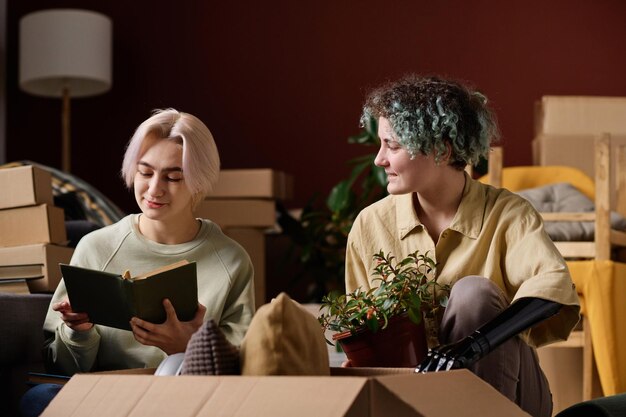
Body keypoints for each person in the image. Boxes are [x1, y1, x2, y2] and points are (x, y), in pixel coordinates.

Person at [345, 75, 580, 417]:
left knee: (474, 293)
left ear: (442, 149)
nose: (379, 159)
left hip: (512, 398)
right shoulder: (370, 225)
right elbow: (361, 327)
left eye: (392, 146)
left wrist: (471, 347)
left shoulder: (507, 213)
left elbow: (551, 289)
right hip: (418, 400)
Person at [21, 109, 255, 416]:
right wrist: (80, 332)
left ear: (199, 182)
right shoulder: (97, 247)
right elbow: (61, 366)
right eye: (145, 173)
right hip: (106, 401)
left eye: (173, 177)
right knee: (39, 399)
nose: (154, 189)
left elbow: (245, 368)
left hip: (185, 401)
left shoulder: (231, 259)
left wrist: (189, 346)